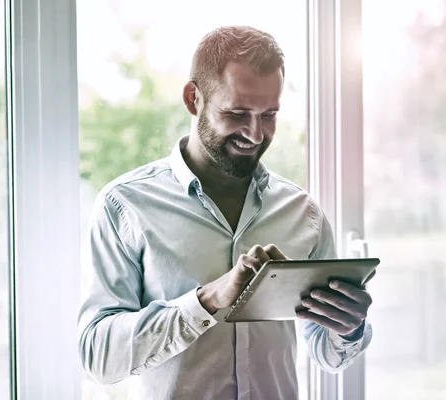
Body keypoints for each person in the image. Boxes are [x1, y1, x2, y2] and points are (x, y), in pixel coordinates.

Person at [77, 25, 374, 400]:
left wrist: (348, 328)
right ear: (192, 99)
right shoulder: (125, 206)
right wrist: (207, 301)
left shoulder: (303, 213)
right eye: (237, 113)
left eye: (269, 115)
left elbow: (327, 353)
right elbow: (97, 357)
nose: (255, 134)